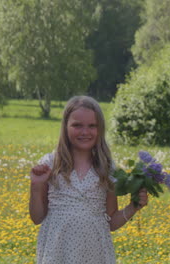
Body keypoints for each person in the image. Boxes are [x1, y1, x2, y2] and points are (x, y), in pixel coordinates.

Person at [29, 95, 148, 264]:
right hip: (57, 251)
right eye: (77, 125)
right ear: (65, 127)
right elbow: (36, 217)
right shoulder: (50, 165)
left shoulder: (107, 169)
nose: (85, 132)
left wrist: (133, 207)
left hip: (95, 251)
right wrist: (36, 186)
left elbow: (111, 222)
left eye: (92, 126)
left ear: (100, 129)